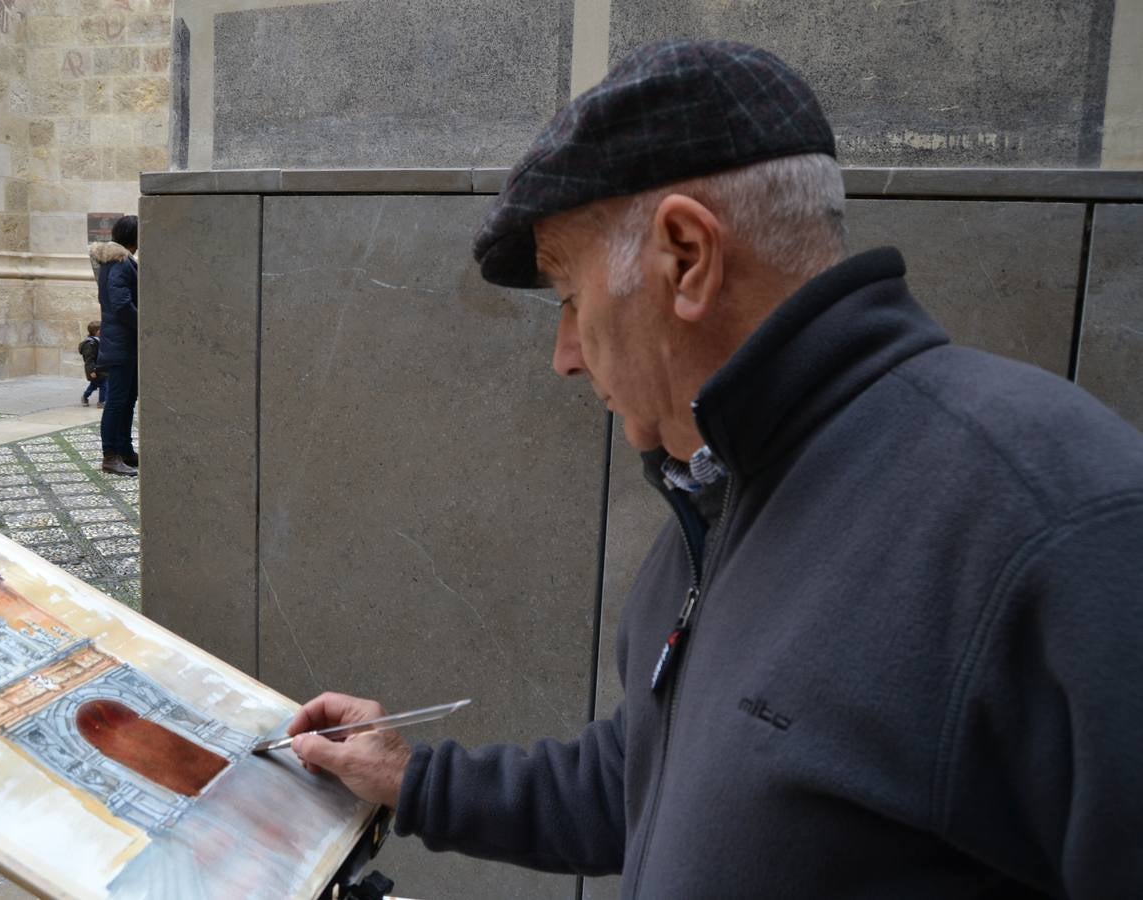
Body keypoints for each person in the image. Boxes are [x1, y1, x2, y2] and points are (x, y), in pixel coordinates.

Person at [285, 40, 1143, 897]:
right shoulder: (723, 485)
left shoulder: (1057, 517)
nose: (565, 355)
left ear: (687, 256)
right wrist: (411, 778)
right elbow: (646, 782)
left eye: (571, 300)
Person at [93, 216, 139, 477]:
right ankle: (110, 456)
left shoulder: (121, 262)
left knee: (128, 400)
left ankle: (125, 450)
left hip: (126, 344)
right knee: (117, 401)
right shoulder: (120, 264)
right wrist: (143, 325)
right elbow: (121, 305)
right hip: (122, 344)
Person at [78, 321, 107, 408]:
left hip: (100, 368)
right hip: (95, 369)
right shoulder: (90, 344)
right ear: (98, 332)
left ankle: (85, 396)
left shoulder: (98, 341)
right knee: (103, 385)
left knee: (95, 385)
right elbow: (89, 360)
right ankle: (101, 402)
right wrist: (92, 371)